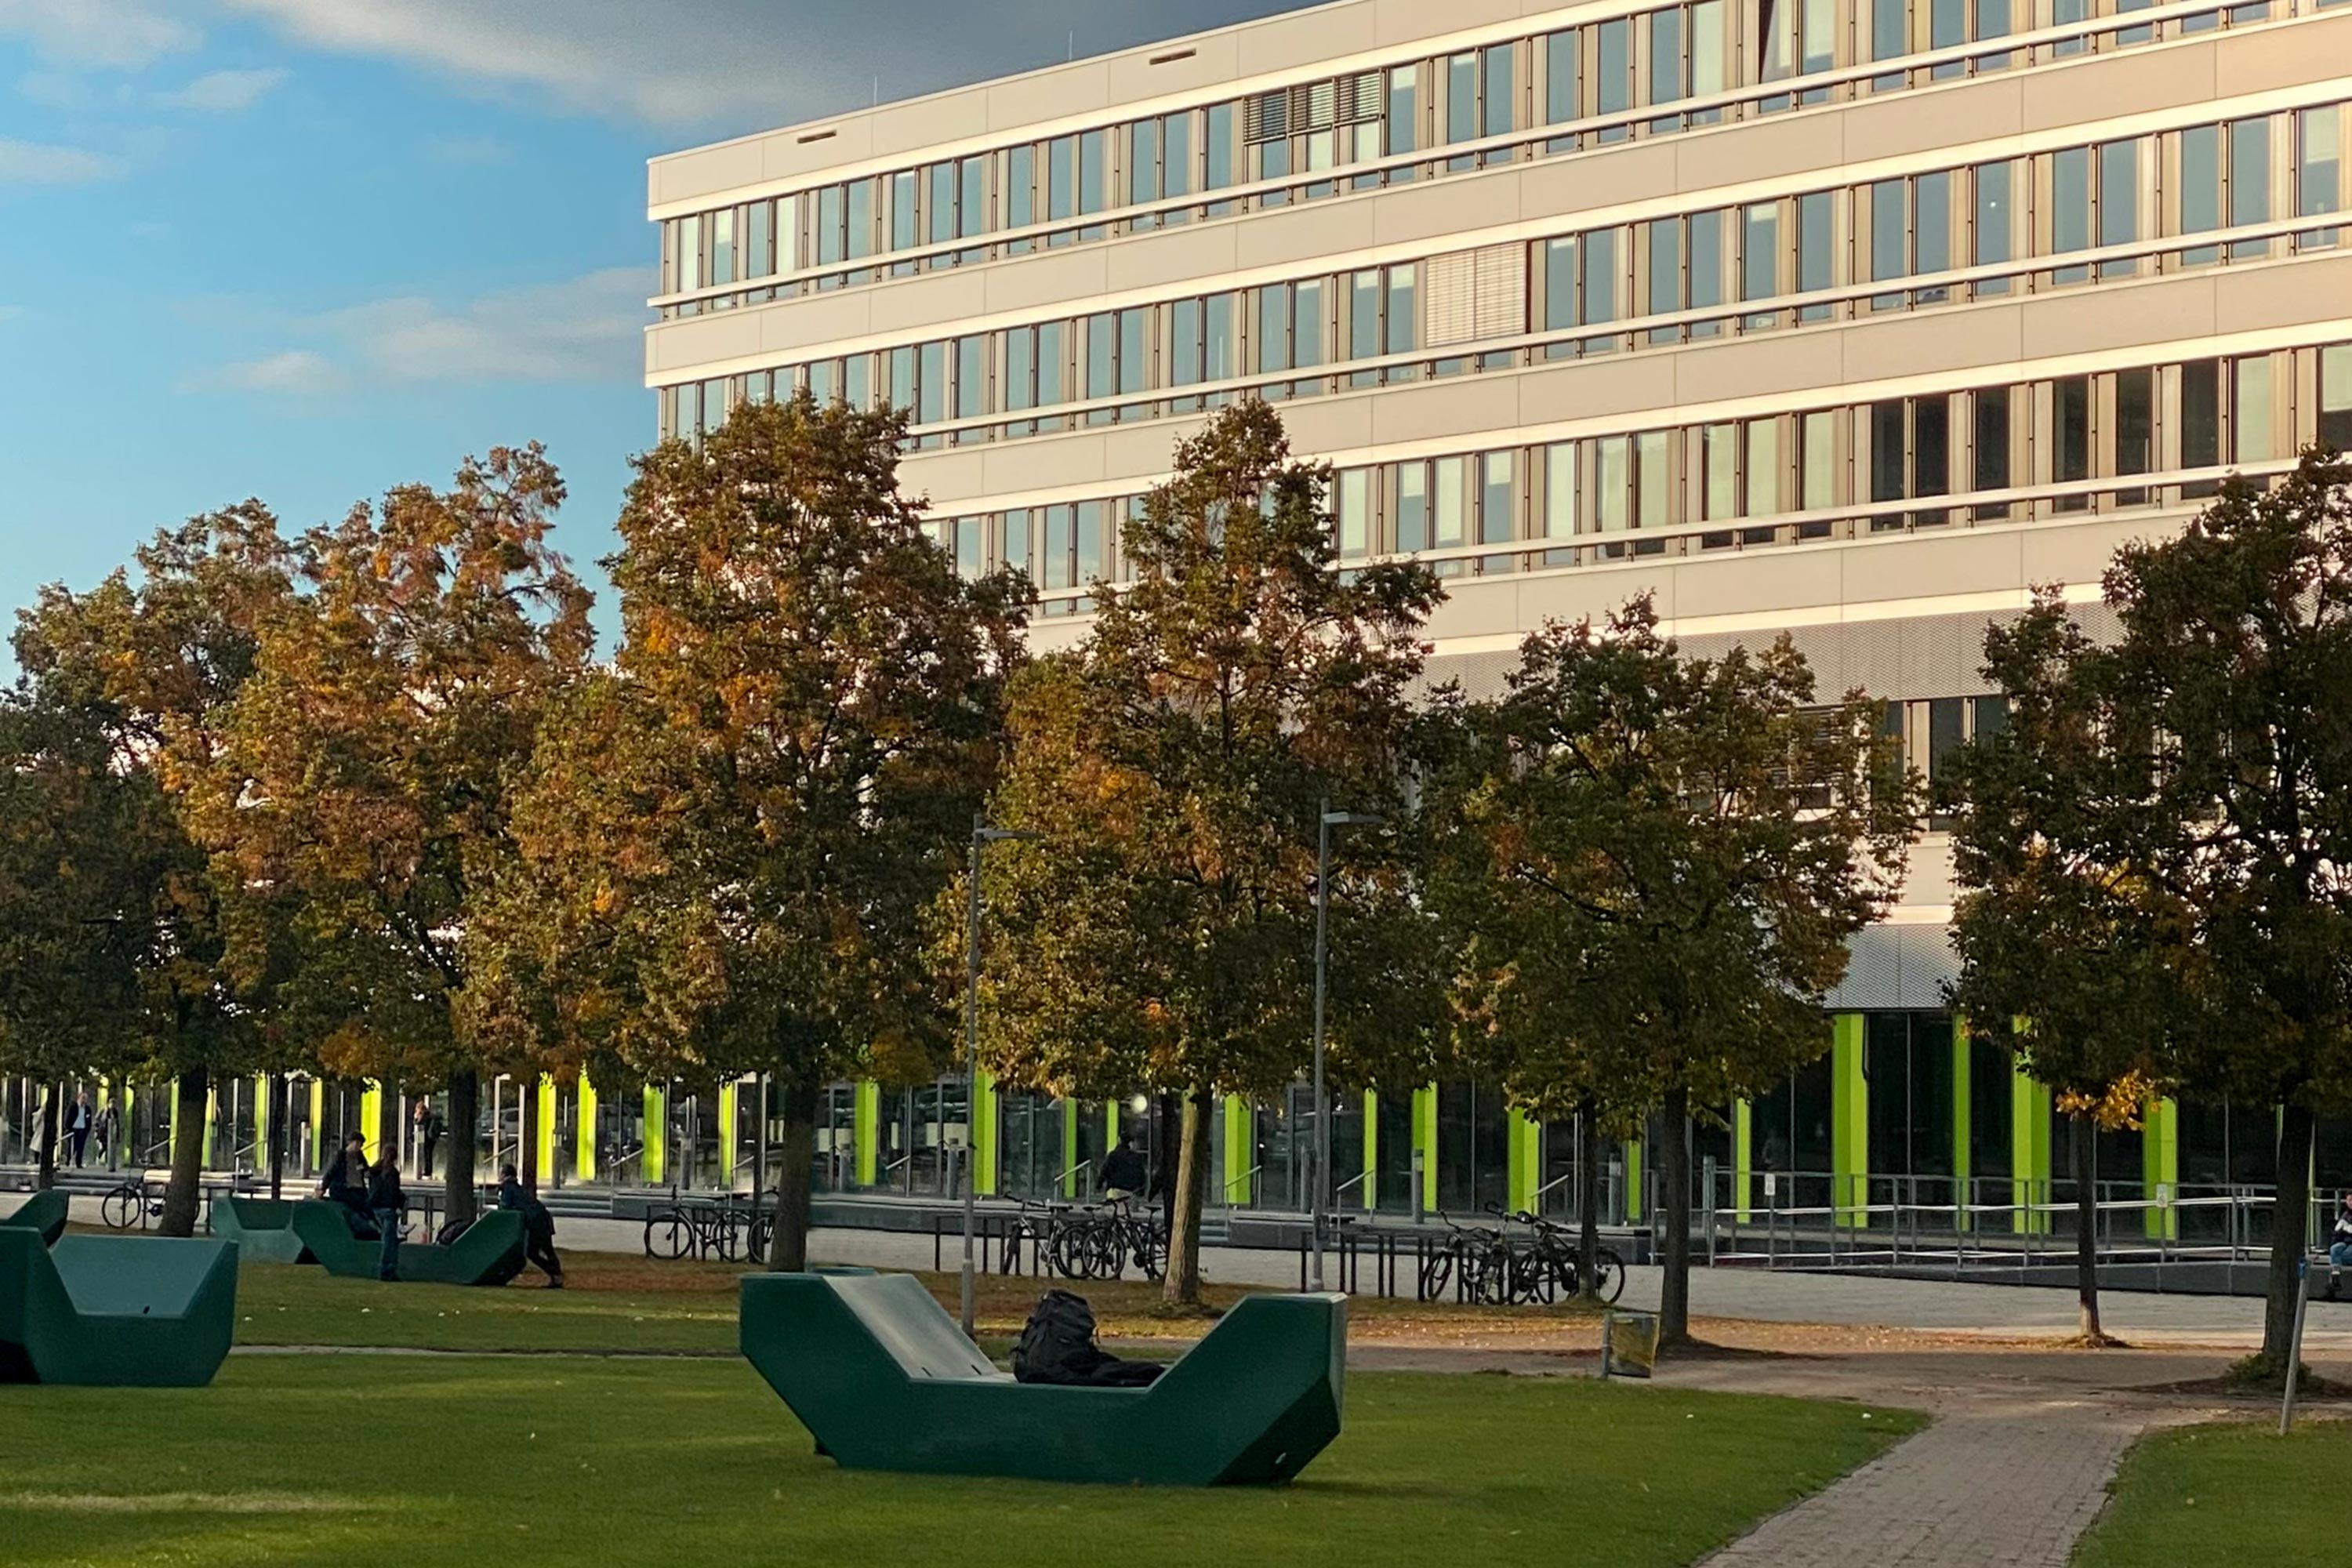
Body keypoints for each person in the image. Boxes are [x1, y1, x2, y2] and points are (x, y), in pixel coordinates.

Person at [497, 1163, 564, 1288]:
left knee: (532, 1252)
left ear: (504, 1175)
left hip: (534, 1222)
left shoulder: (507, 1188)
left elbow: (506, 1209)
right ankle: (557, 1277)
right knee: (548, 1249)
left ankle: (554, 1273)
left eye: (500, 1173)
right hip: (543, 1217)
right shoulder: (519, 1188)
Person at [321, 1134, 377, 1237]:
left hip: (358, 1187)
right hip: (345, 1189)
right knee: (359, 1204)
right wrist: (323, 1188)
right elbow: (331, 1172)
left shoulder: (360, 1156)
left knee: (368, 1205)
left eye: (360, 1144)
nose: (357, 1146)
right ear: (349, 1143)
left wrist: (364, 1169)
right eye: (355, 1143)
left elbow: (365, 1168)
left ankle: (375, 1226)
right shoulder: (341, 1156)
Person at [368, 1151, 405, 1283]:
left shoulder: (375, 1171)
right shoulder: (392, 1173)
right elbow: (393, 1192)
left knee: (385, 1239)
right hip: (388, 1208)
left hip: (375, 1207)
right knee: (390, 1241)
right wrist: (399, 1204)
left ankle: (385, 1270)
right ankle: (387, 1270)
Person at [1100, 1133, 1147, 1203]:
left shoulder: (1114, 1155)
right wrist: (1141, 1188)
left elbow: (1106, 1170)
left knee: (1120, 1208)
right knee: (1130, 1210)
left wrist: (1100, 1184)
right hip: (1133, 1189)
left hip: (1117, 1187)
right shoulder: (1136, 1157)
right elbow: (1141, 1173)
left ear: (1119, 1141)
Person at [2327, 1192, 2352, 1301]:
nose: (2351, 1203)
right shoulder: (2345, 1215)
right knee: (2334, 1249)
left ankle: (2334, 1280)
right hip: (2345, 1242)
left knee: (2340, 1257)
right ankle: (2335, 1278)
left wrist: (2347, 1229)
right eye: (2349, 1200)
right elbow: (2337, 1233)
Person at [413, 1098, 445, 1180]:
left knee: (426, 1155)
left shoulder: (425, 1116)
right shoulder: (431, 1116)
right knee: (428, 1155)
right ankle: (427, 1172)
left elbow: (417, 1124)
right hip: (431, 1137)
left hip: (426, 1138)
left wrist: (416, 1117)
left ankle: (427, 1172)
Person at [65, 1091, 93, 1167]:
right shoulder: (73, 1107)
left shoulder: (87, 1109)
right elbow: (68, 1118)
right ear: (79, 1098)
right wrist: (68, 1128)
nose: (84, 1101)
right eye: (83, 1098)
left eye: (85, 1099)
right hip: (74, 1129)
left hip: (82, 1129)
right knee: (71, 1146)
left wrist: (87, 1129)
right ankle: (68, 1160)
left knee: (80, 1147)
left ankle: (78, 1162)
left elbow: (89, 1120)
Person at [92, 1100, 118, 1170]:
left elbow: (116, 1121)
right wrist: (97, 1128)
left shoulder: (115, 1111)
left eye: (114, 1104)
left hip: (110, 1132)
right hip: (103, 1131)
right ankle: (99, 1157)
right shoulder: (104, 1110)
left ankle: (108, 1161)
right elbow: (97, 1119)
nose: (112, 1106)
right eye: (111, 1104)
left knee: (109, 1147)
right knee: (104, 1146)